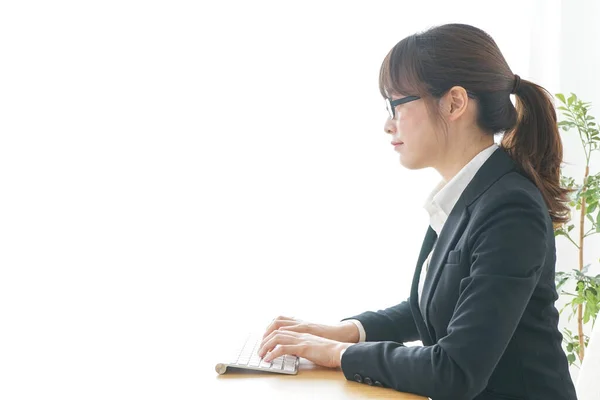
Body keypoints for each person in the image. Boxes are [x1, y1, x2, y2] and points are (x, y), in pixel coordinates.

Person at [257, 23, 578, 400]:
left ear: (455, 102)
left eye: (396, 104)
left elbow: (455, 370)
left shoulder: (511, 206)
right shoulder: (468, 192)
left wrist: (338, 354)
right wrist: (345, 331)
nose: (388, 124)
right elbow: (430, 306)